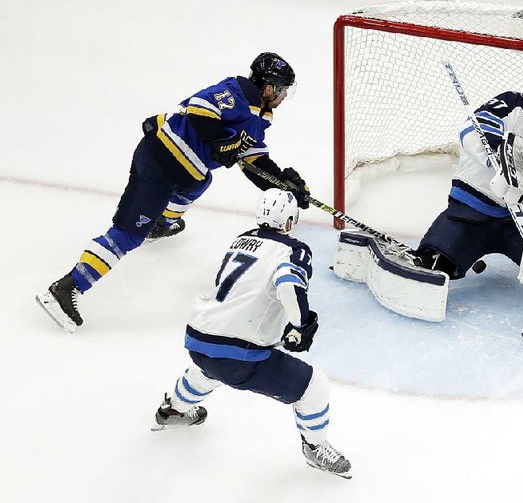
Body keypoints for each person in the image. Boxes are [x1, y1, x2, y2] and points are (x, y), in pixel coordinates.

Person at [36, 52, 311, 332]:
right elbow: (199, 109)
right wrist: (221, 141)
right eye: (284, 89)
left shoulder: (260, 116)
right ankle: (67, 288)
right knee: (128, 235)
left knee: (200, 180)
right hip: (159, 162)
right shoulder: (235, 92)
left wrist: (283, 185)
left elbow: (253, 161)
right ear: (269, 88)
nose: (285, 96)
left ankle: (162, 223)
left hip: (184, 171)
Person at [151, 188, 352, 479]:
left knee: (208, 368)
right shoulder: (293, 250)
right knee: (314, 386)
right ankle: (315, 447)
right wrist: (301, 324)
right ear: (289, 222)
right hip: (237, 355)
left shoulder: (241, 239)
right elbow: (288, 284)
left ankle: (174, 410)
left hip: (198, 338)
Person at [413, 77, 523, 279]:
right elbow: (474, 127)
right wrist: (497, 154)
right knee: (435, 263)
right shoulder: (515, 104)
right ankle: (435, 259)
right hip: (472, 211)